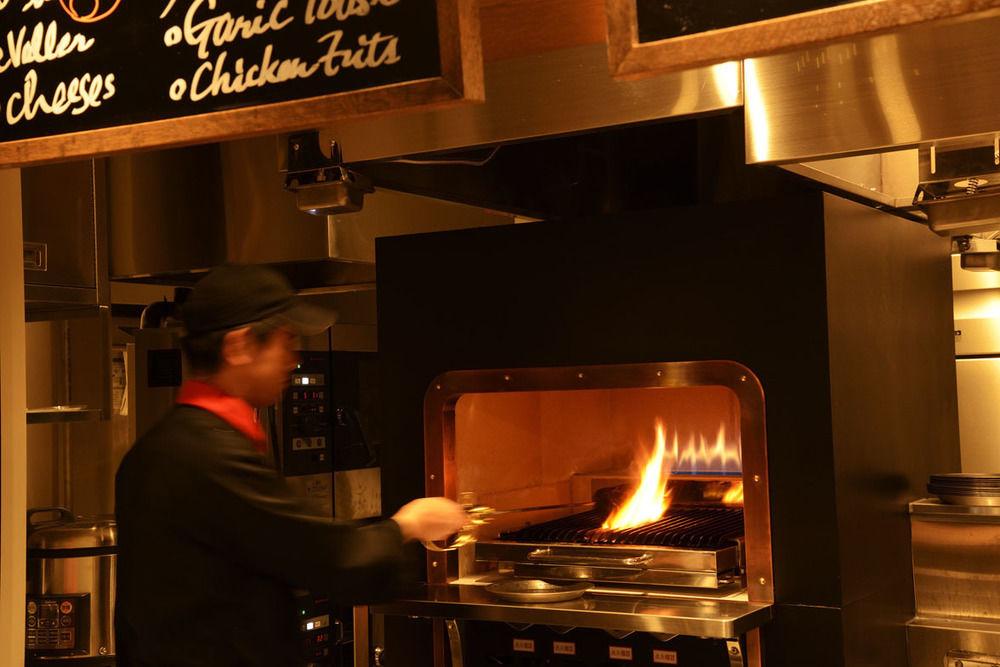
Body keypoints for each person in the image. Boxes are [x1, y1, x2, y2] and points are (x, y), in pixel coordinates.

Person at [114, 264, 467, 666]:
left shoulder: (164, 446)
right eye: (286, 341)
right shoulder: (207, 455)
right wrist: (409, 523)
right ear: (239, 346)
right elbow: (326, 557)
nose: (294, 359)